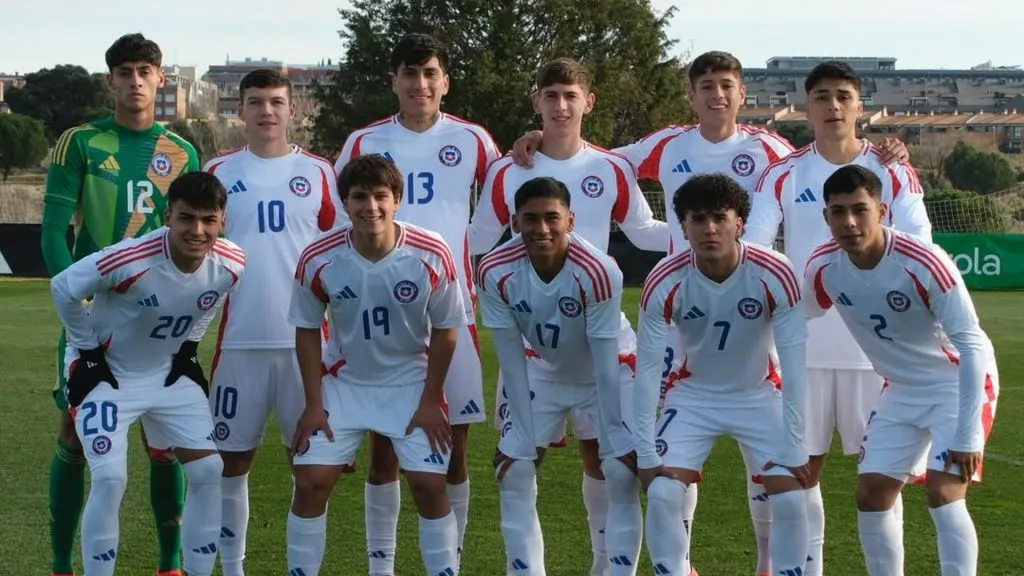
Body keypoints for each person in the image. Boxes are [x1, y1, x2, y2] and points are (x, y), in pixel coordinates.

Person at [509, 51, 908, 575]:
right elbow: (595, 158)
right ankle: (684, 562)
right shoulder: (668, 145)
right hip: (679, 308)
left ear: (741, 95)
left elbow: (823, 172)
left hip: (751, 310)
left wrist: (888, 151)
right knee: (679, 452)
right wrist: (542, 142)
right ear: (691, 96)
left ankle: (769, 563)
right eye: (705, 87)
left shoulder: (771, 150)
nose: (716, 95)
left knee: (762, 458)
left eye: (726, 86)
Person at [468, 56, 668, 576]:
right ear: (537, 102)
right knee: (514, 467)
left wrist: (711, 235)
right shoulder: (508, 169)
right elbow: (479, 238)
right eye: (550, 96)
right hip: (537, 342)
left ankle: (608, 567)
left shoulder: (611, 167)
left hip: (599, 331)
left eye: (569, 96)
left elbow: (646, 234)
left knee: (610, 464)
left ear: (587, 103)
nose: (560, 106)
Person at [748, 60, 932, 576]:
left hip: (876, 352)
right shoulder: (783, 172)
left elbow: (920, 242)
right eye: (822, 96)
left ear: (859, 106)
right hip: (803, 348)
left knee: (882, 480)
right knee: (801, 473)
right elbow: (759, 246)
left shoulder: (892, 168)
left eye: (843, 96)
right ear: (806, 108)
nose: (833, 106)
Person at [332, 33, 500, 571]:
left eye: (430, 73)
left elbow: (507, 193)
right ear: (394, 81)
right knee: (384, 449)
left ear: (444, 82)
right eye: (409, 73)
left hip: (453, 311)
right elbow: (341, 222)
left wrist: (528, 145)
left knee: (452, 448)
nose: (420, 83)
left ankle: (450, 559)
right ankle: (381, 566)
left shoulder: (474, 140)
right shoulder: (363, 142)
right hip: (382, 316)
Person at [40, 32, 200, 576]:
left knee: (166, 436)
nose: (135, 81)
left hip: (158, 317)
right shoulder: (80, 142)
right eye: (125, 71)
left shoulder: (182, 152)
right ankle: (63, 564)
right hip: (96, 312)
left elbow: (189, 236)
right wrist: (77, 295)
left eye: (145, 71)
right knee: (73, 431)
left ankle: (169, 565)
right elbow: (54, 230)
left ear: (160, 80)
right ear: (110, 80)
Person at [804, 164, 999, 575]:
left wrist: (966, 433)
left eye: (860, 209)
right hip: (900, 389)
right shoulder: (823, 267)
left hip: (957, 383)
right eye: (838, 212)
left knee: (944, 493)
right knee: (872, 494)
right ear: (826, 217)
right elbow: (795, 315)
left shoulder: (924, 261)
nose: (850, 222)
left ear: (882, 210)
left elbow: (970, 342)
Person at [49, 171, 244, 576]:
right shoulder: (130, 258)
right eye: (187, 218)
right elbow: (63, 287)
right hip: (109, 376)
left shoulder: (232, 262)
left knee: (209, 470)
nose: (197, 230)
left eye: (208, 220)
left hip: (166, 374)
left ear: (222, 220)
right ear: (168, 216)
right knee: (110, 478)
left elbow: (207, 302)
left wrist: (189, 347)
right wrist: (87, 353)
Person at [287, 153, 466, 576]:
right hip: (345, 383)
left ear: (397, 200)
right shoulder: (319, 257)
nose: (371, 206)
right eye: (359, 197)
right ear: (345, 203)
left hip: (410, 384)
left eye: (380, 196)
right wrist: (313, 404)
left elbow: (446, 329)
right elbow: (307, 329)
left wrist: (429, 400)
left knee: (429, 484)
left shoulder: (431, 251)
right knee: (310, 481)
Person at [632, 173, 810, 576]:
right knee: (661, 492)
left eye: (719, 218)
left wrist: (797, 443)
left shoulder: (774, 272)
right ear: (684, 227)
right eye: (698, 219)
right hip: (693, 397)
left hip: (760, 394)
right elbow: (646, 369)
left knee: (790, 498)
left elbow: (796, 364)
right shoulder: (664, 278)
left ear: (739, 223)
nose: (709, 228)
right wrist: (644, 448)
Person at [202, 68, 342, 576]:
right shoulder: (216, 172)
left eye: (277, 102)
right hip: (238, 343)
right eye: (256, 101)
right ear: (240, 110)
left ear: (292, 110)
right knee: (230, 464)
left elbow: (340, 250)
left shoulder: (321, 172)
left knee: (307, 471)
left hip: (304, 347)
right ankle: (233, 569)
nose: (267, 111)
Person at [478, 177, 641, 575]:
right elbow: (510, 356)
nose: (542, 228)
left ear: (571, 219)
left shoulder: (600, 270)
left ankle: (610, 569)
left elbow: (603, 358)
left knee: (619, 470)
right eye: (530, 219)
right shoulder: (494, 268)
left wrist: (617, 432)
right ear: (515, 222)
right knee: (514, 470)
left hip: (609, 366)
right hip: (541, 368)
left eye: (552, 217)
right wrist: (519, 431)